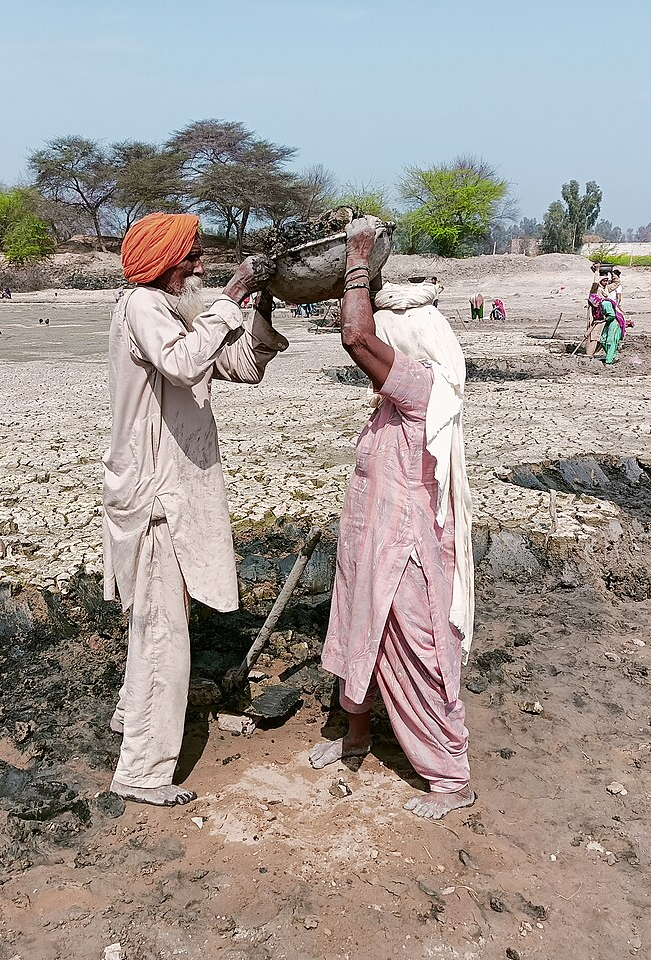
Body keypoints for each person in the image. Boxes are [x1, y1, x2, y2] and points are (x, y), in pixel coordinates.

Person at [102, 211, 288, 807]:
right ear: (164, 264)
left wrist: (257, 305)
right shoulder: (142, 307)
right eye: (192, 259)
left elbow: (239, 368)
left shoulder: (180, 312)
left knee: (158, 617)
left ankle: (132, 717)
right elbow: (183, 363)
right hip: (156, 495)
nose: (201, 267)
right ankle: (142, 771)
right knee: (163, 630)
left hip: (176, 489)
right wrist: (230, 297)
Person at [309, 218, 476, 820]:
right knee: (359, 627)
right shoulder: (397, 396)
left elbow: (354, 336)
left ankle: (450, 776)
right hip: (371, 533)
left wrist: (356, 258)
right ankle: (357, 735)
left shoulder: (422, 385)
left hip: (404, 542)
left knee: (417, 649)